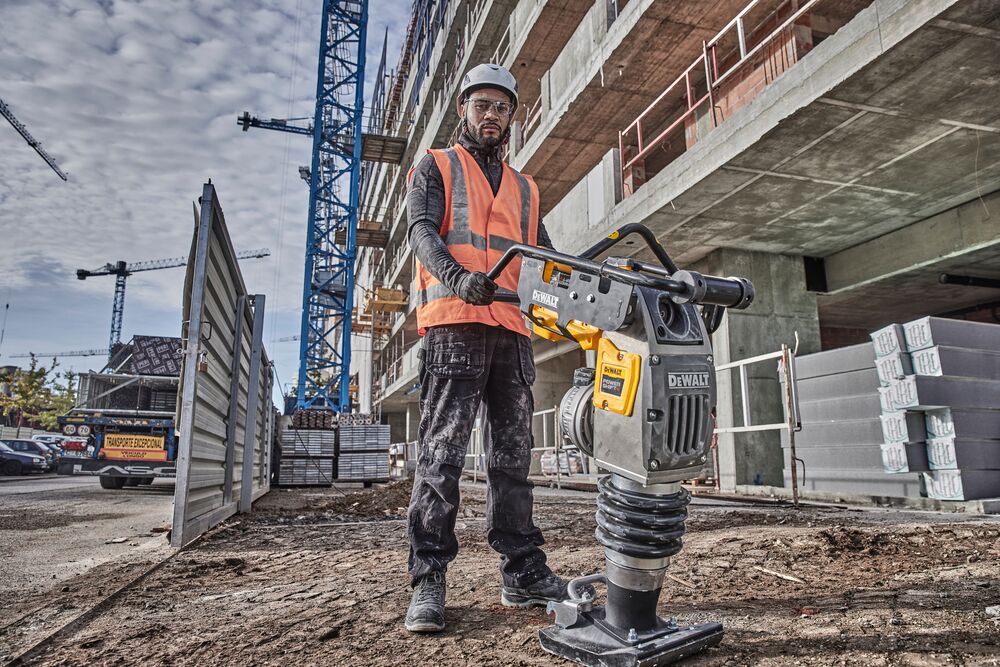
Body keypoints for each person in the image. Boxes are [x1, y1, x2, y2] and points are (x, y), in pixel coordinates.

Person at [404, 64, 594, 633]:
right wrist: (458, 277)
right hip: (454, 324)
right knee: (441, 458)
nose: (492, 115)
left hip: (511, 332)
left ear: (513, 116)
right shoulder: (435, 166)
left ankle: (522, 571)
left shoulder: (526, 187)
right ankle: (428, 580)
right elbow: (421, 230)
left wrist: (582, 289)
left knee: (512, 460)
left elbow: (545, 255)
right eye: (482, 105)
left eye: (502, 108)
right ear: (463, 108)